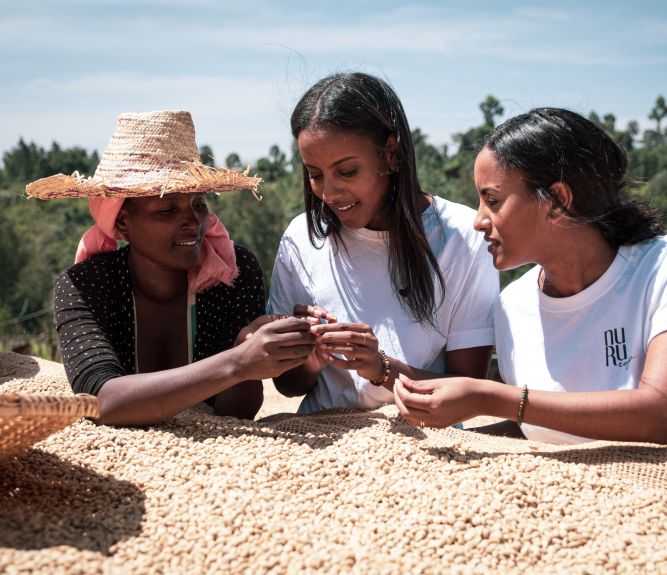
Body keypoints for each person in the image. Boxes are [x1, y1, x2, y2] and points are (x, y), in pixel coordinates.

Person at [394, 107, 667, 456]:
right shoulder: (512, 306)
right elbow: (538, 422)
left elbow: (661, 414)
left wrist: (488, 397)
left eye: (493, 200)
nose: (479, 221)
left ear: (558, 201)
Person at [26, 110, 315, 426]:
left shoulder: (233, 273)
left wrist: (245, 348)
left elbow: (236, 414)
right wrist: (237, 362)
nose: (192, 221)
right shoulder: (85, 284)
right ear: (123, 221)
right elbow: (99, 402)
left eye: (199, 205)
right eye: (167, 209)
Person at [267, 72, 499, 413]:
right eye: (315, 175)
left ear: (390, 152)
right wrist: (310, 359)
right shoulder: (302, 238)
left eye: (346, 172)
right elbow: (287, 386)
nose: (329, 193)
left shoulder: (463, 238)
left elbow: (468, 393)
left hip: (424, 444)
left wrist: (381, 369)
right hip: (320, 440)